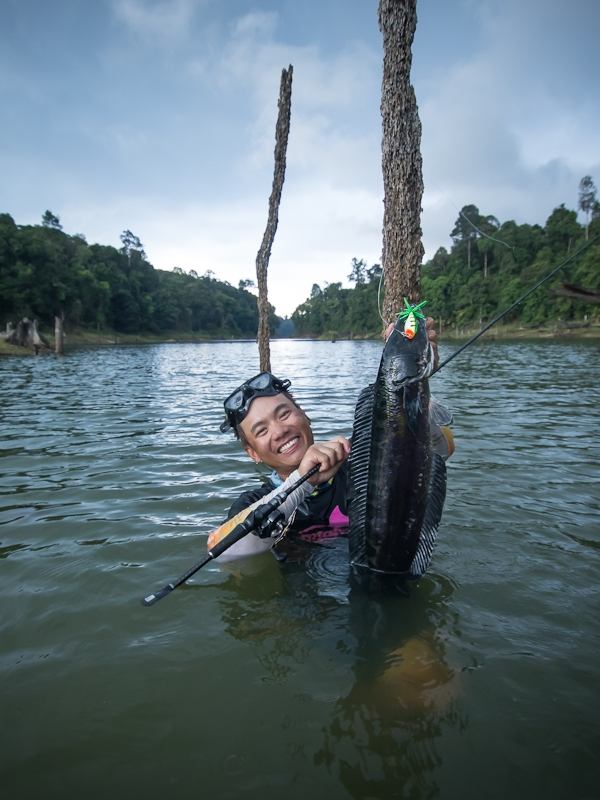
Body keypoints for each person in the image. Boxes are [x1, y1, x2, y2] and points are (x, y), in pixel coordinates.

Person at [208, 318, 452, 558]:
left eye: (284, 414)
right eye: (262, 431)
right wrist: (303, 482)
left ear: (305, 416)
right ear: (253, 453)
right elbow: (221, 549)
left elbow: (444, 448)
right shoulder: (254, 502)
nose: (279, 431)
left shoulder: (359, 463)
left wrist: (412, 394)